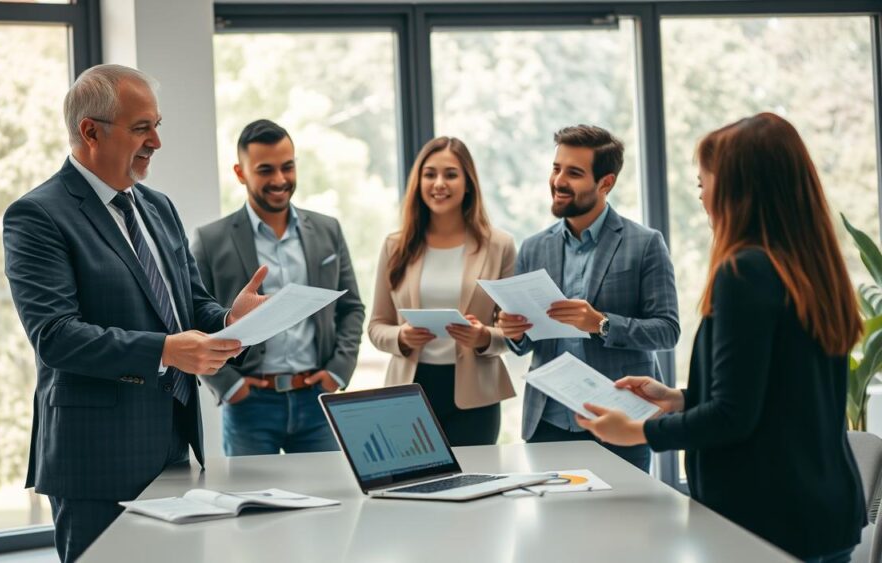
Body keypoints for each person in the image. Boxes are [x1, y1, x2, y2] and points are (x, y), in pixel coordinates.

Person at [3, 64, 268, 562]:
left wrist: (233, 321)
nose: (157, 142)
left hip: (173, 448)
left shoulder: (157, 207)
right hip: (96, 461)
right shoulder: (37, 215)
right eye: (142, 128)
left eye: (157, 126)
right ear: (90, 131)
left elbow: (189, 307)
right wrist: (167, 351)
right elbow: (56, 336)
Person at [576, 113, 867, 562]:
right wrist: (678, 399)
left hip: (763, 524)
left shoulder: (744, 272)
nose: (701, 197)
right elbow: (778, 397)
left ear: (738, 189)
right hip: (822, 517)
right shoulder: (813, 268)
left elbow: (733, 417)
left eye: (703, 183)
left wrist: (636, 430)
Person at [497, 125, 679, 471]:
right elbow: (523, 345)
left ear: (605, 183)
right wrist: (514, 331)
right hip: (548, 421)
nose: (559, 181)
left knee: (622, 525)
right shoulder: (534, 247)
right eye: (556, 168)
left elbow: (667, 331)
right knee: (552, 526)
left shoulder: (645, 244)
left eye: (574, 173)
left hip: (618, 420)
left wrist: (602, 324)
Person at [192, 119, 365, 455]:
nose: (280, 180)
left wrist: (337, 374)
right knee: (256, 506)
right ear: (240, 173)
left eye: (287, 167)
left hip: (318, 400)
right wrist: (229, 386)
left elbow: (352, 308)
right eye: (265, 170)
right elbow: (192, 317)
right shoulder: (211, 240)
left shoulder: (328, 230)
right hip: (249, 406)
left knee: (329, 505)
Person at [368, 136, 516, 446]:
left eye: (450, 174)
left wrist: (485, 337)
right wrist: (401, 337)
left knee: (474, 486)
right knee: (411, 488)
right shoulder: (395, 246)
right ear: (418, 182)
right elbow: (376, 326)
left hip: (475, 398)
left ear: (468, 183)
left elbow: (514, 332)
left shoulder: (499, 245)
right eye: (429, 174)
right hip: (409, 391)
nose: (439, 183)